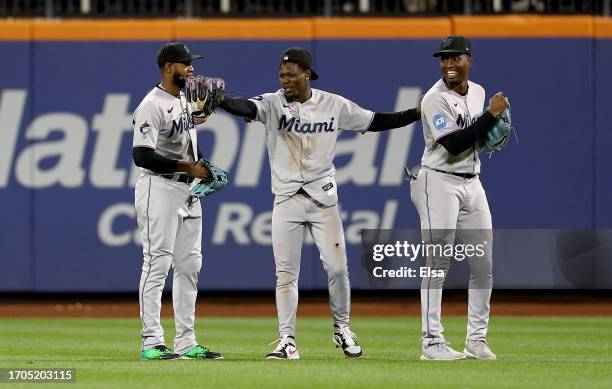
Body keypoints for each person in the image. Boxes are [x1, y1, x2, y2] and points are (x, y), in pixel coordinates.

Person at [219, 47, 421, 360]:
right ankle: (287, 341)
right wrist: (219, 100)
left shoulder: (333, 104)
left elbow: (375, 121)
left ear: (307, 74)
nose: (285, 79)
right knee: (285, 276)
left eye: (291, 74)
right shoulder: (272, 103)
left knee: (338, 270)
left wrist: (415, 113)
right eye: (282, 74)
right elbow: (244, 105)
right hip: (286, 200)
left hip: (323, 200)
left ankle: (343, 329)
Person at [410, 36, 508, 361]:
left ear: (469, 60)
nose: (448, 64)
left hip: (473, 183)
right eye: (444, 59)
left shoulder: (478, 92)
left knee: (483, 263)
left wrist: (487, 125)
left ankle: (476, 340)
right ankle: (431, 343)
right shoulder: (433, 99)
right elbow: (453, 144)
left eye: (455, 58)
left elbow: (475, 139)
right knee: (437, 262)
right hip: (437, 182)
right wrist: (490, 118)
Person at [132, 42, 223, 360]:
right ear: (169, 67)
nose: (192, 69)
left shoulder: (184, 101)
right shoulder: (150, 104)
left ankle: (186, 341)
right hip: (160, 189)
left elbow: (181, 134)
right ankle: (151, 342)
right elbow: (141, 155)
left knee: (190, 266)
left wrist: (198, 119)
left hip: (189, 191)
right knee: (157, 263)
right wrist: (187, 166)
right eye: (186, 64)